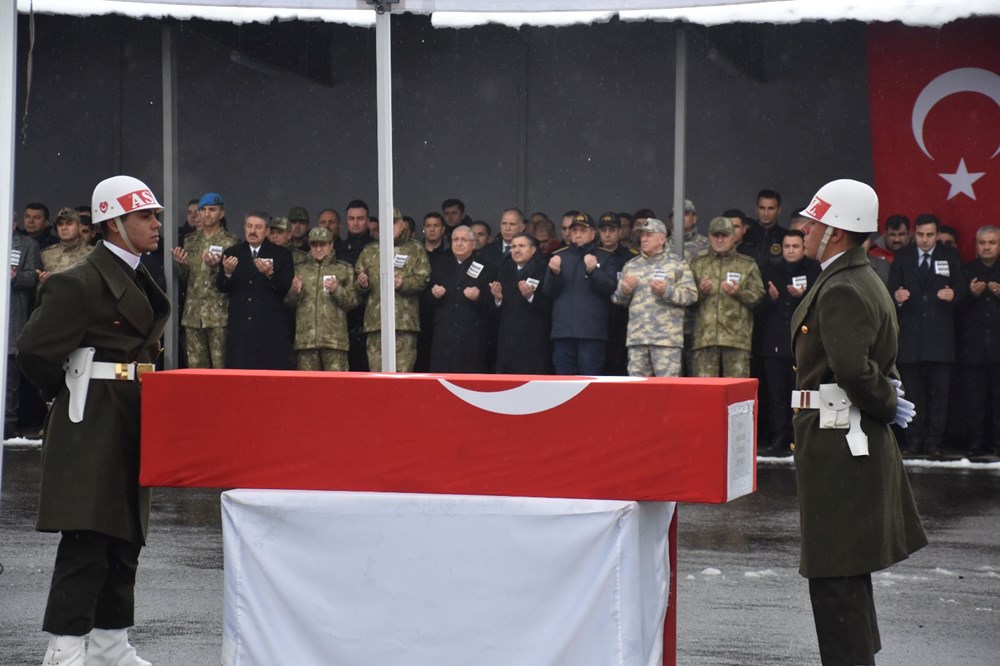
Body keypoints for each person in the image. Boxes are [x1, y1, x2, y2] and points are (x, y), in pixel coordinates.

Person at [18, 175, 171, 666]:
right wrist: (66, 394)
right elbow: (36, 353)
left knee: (125, 536)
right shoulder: (77, 282)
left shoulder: (140, 275)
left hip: (132, 412)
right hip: (92, 415)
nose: (156, 224)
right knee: (87, 536)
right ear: (115, 224)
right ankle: (64, 649)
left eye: (155, 215)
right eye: (145, 216)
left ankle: (109, 645)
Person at [792, 178, 927, 666]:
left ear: (839, 232)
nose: (805, 228)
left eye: (815, 222)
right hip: (840, 438)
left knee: (835, 579)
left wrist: (885, 403)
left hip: (839, 444)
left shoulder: (844, 286)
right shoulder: (852, 277)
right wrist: (885, 395)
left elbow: (851, 368)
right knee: (844, 577)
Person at [888, 213, 965, 457]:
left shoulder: (949, 256)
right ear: (914, 234)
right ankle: (913, 440)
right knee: (912, 394)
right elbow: (891, 289)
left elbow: (962, 288)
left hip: (940, 338)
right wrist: (897, 299)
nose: (924, 240)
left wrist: (955, 296)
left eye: (929, 235)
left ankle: (934, 443)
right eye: (920, 235)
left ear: (936, 235)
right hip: (911, 338)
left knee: (939, 396)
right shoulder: (903, 257)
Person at [757, 229, 820, 454]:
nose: (791, 251)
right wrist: (771, 298)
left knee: (802, 395)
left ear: (803, 248)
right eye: (787, 247)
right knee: (776, 395)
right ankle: (779, 438)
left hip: (802, 343)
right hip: (774, 341)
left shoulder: (814, 270)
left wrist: (801, 297)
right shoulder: (770, 269)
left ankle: (800, 439)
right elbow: (758, 308)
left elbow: (820, 306)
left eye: (795, 246)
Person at [611, 218, 697, 377]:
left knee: (667, 392)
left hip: (666, 341)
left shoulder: (677, 264)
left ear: (662, 239)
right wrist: (624, 291)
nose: (643, 239)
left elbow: (691, 296)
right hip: (638, 340)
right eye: (642, 235)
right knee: (637, 391)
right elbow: (617, 300)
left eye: (649, 235)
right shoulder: (631, 265)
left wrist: (667, 291)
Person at [217, 211, 295, 369]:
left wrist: (269, 274)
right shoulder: (232, 253)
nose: (253, 231)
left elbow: (285, 288)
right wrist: (227, 273)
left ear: (267, 231)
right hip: (241, 327)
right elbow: (221, 286)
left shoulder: (281, 254)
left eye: (258, 227)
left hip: (269, 328)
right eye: (249, 226)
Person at [688, 216, 765, 378]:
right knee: (705, 393)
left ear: (733, 237)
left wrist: (739, 292)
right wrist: (701, 292)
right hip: (705, 339)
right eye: (716, 236)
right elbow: (686, 300)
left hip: (736, 339)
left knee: (737, 396)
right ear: (709, 237)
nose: (720, 240)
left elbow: (758, 297)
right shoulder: (697, 264)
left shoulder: (747, 264)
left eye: (724, 235)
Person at [542, 212, 617, 375]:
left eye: (582, 231)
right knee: (564, 385)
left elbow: (611, 288)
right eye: (574, 230)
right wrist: (554, 273)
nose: (577, 234)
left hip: (591, 334)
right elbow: (548, 291)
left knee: (589, 384)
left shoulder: (605, 258)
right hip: (563, 333)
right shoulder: (559, 256)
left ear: (593, 233)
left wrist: (593, 271)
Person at [355, 211, 431, 372]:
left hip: (404, 324)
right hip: (376, 324)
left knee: (403, 380)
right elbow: (357, 281)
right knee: (377, 379)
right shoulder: (369, 251)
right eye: (386, 223)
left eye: (394, 223)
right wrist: (363, 283)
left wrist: (405, 283)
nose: (390, 227)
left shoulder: (415, 249)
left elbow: (424, 279)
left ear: (402, 224)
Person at [171, 192, 239, 369]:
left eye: (212, 209)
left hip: (219, 315)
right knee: (196, 370)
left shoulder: (232, 242)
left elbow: (235, 280)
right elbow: (186, 279)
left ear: (221, 214)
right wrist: (183, 265)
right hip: (193, 315)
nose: (207, 214)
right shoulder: (190, 241)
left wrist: (219, 267)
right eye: (204, 210)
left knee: (221, 368)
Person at [286, 226, 359, 371]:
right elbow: (288, 303)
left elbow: (353, 302)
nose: (318, 248)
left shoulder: (344, 269)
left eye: (323, 244)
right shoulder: (299, 270)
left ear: (331, 245)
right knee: (307, 389)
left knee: (337, 389)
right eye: (314, 245)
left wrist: (336, 290)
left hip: (335, 343)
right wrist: (295, 291)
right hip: (306, 342)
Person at [425, 225, 495, 373]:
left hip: (472, 335)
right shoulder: (438, 265)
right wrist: (433, 295)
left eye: (464, 239)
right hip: (444, 335)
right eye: (455, 239)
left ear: (474, 244)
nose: (459, 243)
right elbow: (424, 299)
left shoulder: (487, 267)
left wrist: (479, 297)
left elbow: (495, 303)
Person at [958, 225, 1000, 460]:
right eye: (982, 242)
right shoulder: (967, 271)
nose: (986, 247)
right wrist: (970, 294)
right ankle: (975, 445)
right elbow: (953, 310)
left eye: (992, 242)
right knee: (974, 402)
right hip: (972, 351)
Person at [490, 232, 551, 374]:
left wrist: (531, 297)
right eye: (513, 246)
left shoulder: (543, 270)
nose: (516, 250)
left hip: (533, 341)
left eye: (521, 246)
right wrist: (498, 299)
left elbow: (549, 305)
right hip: (508, 341)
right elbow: (494, 312)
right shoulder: (504, 270)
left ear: (533, 250)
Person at [7, 224, 41, 439]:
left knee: (10, 381)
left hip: (13, 318)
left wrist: (14, 275)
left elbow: (32, 278)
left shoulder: (28, 244)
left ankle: (7, 426)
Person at [597, 211, 638, 376]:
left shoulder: (631, 258)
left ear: (620, 232)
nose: (607, 234)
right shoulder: (591, 256)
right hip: (597, 319)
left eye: (612, 230)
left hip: (622, 319)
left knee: (620, 367)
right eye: (604, 230)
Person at [38, 207, 94, 282]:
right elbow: (37, 289)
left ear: (80, 227)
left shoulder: (93, 253)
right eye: (60, 224)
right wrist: (43, 283)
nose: (64, 228)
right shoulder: (46, 254)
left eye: (69, 223)